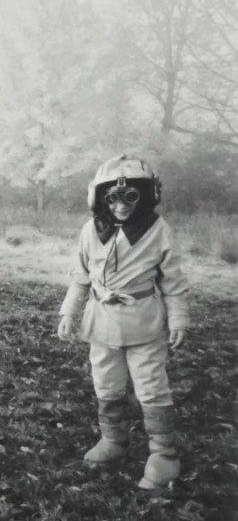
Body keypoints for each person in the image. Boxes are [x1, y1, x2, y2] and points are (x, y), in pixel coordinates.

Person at [57, 155, 189, 490]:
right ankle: (113, 439)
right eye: (112, 198)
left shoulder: (159, 231)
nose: (121, 205)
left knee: (150, 385)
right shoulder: (91, 231)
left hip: (143, 322)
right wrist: (69, 313)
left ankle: (163, 455)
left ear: (147, 196)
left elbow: (172, 282)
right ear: (99, 198)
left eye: (131, 196)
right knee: (106, 381)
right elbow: (81, 278)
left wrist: (178, 318)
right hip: (102, 321)